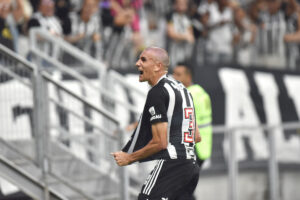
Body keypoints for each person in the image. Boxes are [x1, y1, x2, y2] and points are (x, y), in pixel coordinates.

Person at [112, 46, 201, 200]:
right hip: (191, 167)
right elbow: (196, 136)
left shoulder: (158, 92)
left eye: (143, 60)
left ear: (157, 66)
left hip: (173, 165)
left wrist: (129, 157)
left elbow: (160, 143)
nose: (137, 63)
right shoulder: (183, 90)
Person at [173, 63, 213, 170]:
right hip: (203, 146)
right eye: (173, 74)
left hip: (192, 147)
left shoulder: (186, 95)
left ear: (188, 77)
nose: (174, 77)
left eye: (178, 74)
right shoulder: (200, 91)